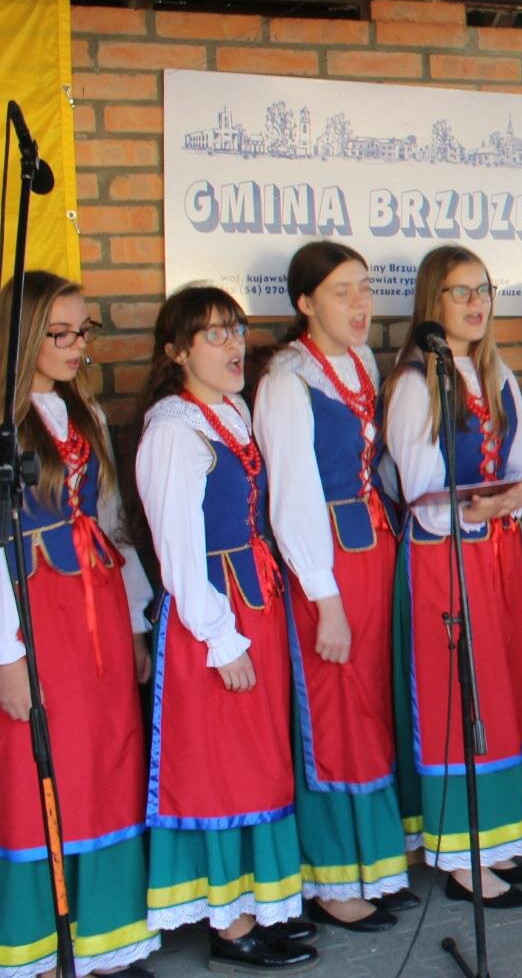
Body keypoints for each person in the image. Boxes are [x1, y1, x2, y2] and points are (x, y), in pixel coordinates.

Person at [138, 284, 317, 969]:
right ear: (177, 352)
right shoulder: (174, 431)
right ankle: (229, 925)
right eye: (213, 334)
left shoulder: (231, 413)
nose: (232, 344)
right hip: (214, 617)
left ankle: (258, 906)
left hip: (254, 603)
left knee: (258, 761)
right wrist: (221, 637)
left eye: (236, 330)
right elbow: (179, 552)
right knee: (223, 767)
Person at [0, 273, 160, 978]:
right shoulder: (5, 426)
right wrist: (7, 658)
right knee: (40, 767)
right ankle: (40, 947)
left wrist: (135, 623)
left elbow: (113, 522)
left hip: (98, 611)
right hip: (36, 619)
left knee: (106, 762)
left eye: (82, 331)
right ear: (22, 338)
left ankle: (104, 939)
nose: (75, 346)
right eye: (58, 333)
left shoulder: (84, 412)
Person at [254, 243, 413, 933]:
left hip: (373, 549)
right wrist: (325, 599)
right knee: (334, 711)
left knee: (371, 707)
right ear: (305, 303)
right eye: (342, 291)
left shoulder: (360, 362)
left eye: (365, 288)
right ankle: (332, 878)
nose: (360, 303)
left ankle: (377, 862)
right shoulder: (286, 380)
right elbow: (291, 496)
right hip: (325, 567)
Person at [384, 246, 522, 907]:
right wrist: (484, 505)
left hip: (496, 554)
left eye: (483, 290)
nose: (477, 304)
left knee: (498, 690)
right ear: (434, 301)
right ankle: (460, 855)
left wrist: (514, 499)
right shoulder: (415, 384)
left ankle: (496, 838)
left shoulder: (496, 372)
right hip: (442, 559)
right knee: (458, 692)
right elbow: (419, 489)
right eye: (460, 292)